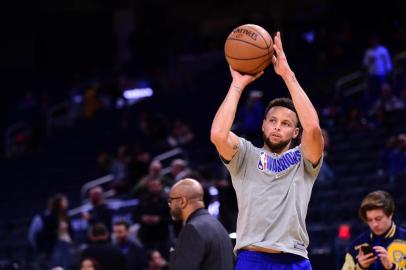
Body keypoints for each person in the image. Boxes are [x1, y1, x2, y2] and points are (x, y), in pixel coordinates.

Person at [210, 31, 324, 269]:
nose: (277, 127)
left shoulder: (304, 158)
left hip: (295, 259)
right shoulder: (246, 155)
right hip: (253, 258)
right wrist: (237, 85)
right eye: (272, 121)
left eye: (285, 124)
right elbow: (218, 135)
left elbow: (312, 127)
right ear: (263, 125)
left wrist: (287, 74)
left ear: (295, 133)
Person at [168, 178, 234, 270]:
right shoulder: (217, 225)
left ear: (182, 201)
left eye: (171, 201)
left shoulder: (192, 229)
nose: (170, 205)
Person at [341, 190, 406, 270]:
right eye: (370, 220)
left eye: (378, 219)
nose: (374, 224)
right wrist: (360, 267)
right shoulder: (357, 245)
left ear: (390, 214)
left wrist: (392, 267)